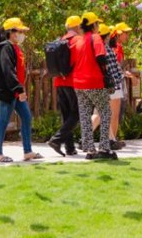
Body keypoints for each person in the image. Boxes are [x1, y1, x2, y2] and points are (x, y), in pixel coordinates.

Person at [0, 17, 42, 163]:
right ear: (11, 32)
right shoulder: (5, 48)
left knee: (27, 117)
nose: (22, 34)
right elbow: (8, 70)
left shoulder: (14, 47)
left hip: (15, 91)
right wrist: (18, 88)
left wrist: (19, 89)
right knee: (3, 120)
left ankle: (27, 151)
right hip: (8, 91)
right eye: (20, 31)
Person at [73, 12, 116, 160]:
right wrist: (106, 75)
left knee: (85, 116)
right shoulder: (96, 38)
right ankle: (104, 147)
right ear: (93, 25)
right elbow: (101, 57)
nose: (98, 26)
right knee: (105, 113)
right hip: (94, 81)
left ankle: (90, 150)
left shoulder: (78, 41)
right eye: (97, 23)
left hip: (78, 83)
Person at [47, 15, 82, 157]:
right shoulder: (78, 40)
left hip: (59, 81)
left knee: (67, 115)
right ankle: (56, 140)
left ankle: (70, 148)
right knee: (78, 113)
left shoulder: (61, 40)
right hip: (72, 81)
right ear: (78, 27)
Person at [91, 23, 126, 150]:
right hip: (112, 85)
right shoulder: (107, 49)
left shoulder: (94, 48)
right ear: (106, 37)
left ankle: (108, 139)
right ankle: (110, 139)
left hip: (99, 84)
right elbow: (114, 69)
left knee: (100, 113)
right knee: (111, 114)